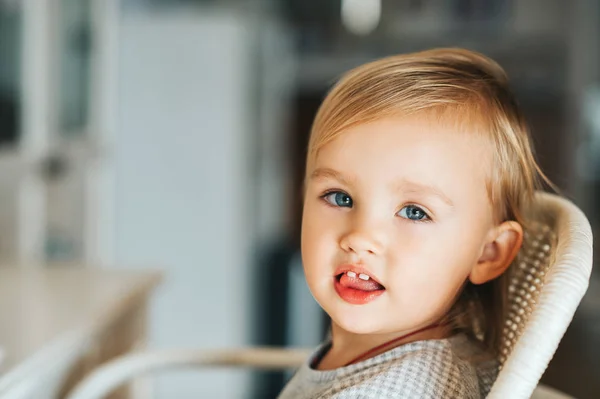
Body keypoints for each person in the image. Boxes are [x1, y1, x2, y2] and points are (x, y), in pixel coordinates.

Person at [277, 47, 550, 398]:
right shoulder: (376, 352)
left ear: (488, 253)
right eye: (340, 197)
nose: (361, 237)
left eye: (414, 212)